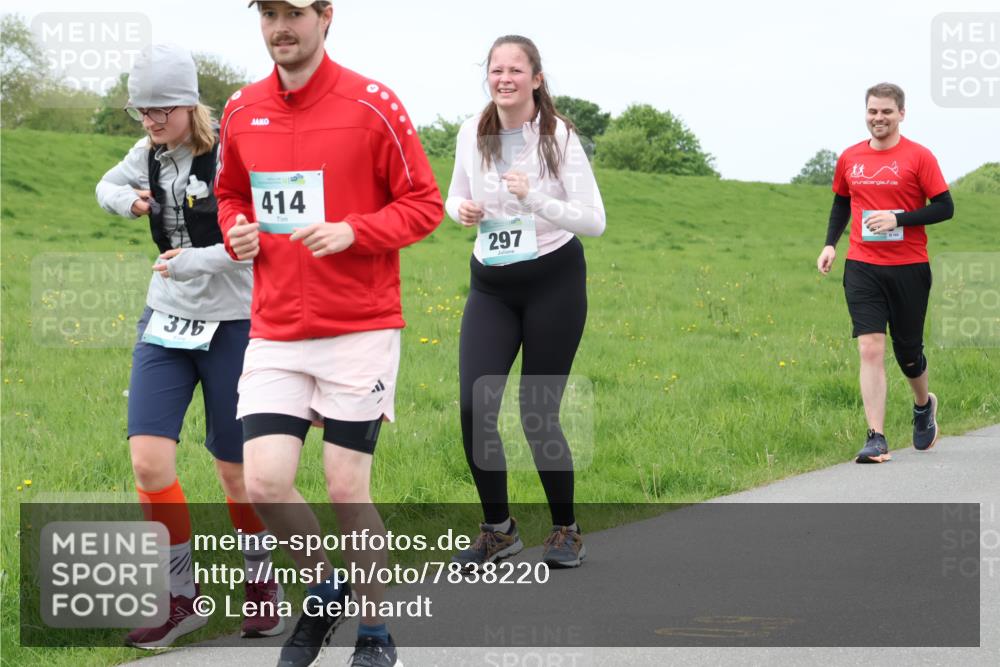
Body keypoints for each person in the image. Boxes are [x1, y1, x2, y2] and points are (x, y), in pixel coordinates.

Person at [215, 2, 442, 666]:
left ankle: (376, 632)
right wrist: (236, 230)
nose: (280, 28)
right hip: (278, 326)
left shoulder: (373, 104)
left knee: (346, 486)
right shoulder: (240, 109)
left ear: (325, 15)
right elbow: (230, 193)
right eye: (268, 14)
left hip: (359, 327)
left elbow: (423, 202)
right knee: (265, 482)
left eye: (293, 13)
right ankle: (326, 587)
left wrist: (355, 231)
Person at [96, 43, 279, 648]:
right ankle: (180, 598)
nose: (149, 121)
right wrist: (129, 200)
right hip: (166, 322)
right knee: (148, 460)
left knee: (235, 473)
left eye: (160, 110)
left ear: (188, 104)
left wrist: (191, 262)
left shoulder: (230, 154)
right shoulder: (145, 155)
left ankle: (260, 582)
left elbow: (254, 242)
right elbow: (105, 185)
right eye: (140, 111)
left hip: (232, 321)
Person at [444, 35, 606, 570]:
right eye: (496, 69)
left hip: (553, 281)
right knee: (474, 405)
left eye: (516, 69)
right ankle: (499, 530)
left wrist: (534, 198)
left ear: (536, 78)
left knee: (537, 410)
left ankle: (566, 529)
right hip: (492, 282)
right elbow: (454, 194)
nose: (504, 78)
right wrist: (460, 210)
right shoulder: (474, 130)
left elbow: (594, 220)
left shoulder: (557, 137)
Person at [816, 82, 954, 463]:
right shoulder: (850, 158)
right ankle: (876, 437)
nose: (878, 118)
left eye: (886, 112)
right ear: (866, 112)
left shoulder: (919, 157)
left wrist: (899, 218)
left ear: (901, 114)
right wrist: (831, 243)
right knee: (870, 346)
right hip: (863, 265)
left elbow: (945, 208)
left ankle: (923, 404)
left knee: (908, 351)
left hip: (909, 265)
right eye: (873, 111)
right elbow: (842, 202)